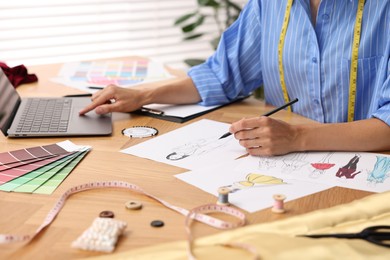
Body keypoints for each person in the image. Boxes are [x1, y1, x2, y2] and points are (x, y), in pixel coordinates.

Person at [80, 0, 390, 156]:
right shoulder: (269, 5)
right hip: (291, 169)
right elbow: (222, 74)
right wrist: (145, 95)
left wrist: (298, 138)